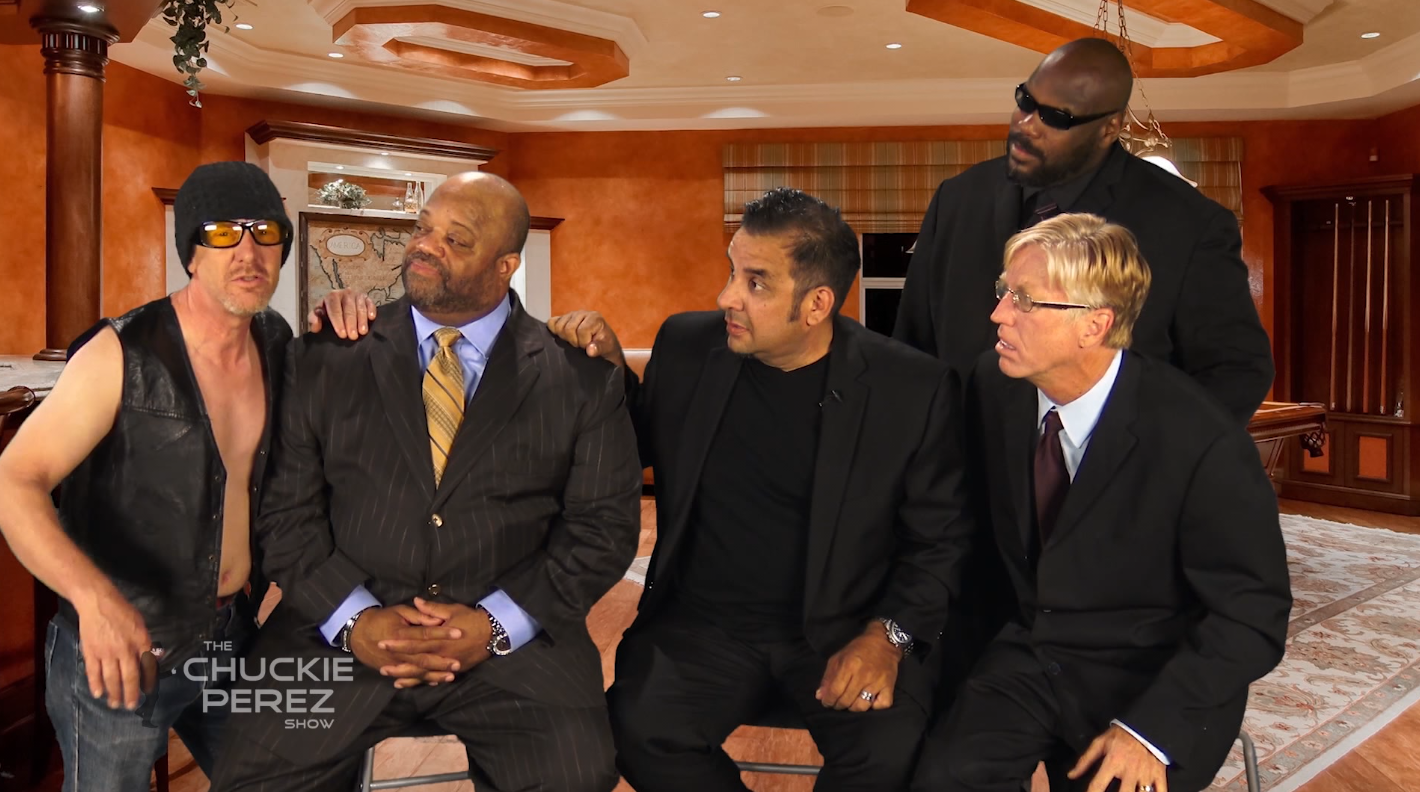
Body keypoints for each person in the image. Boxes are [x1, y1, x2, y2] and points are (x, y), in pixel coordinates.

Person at [209, 171, 642, 792]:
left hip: (516, 649)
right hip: (335, 637)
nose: (425, 246)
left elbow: (602, 530)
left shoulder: (580, 376)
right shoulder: (324, 357)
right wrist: (355, 621)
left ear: (506, 265)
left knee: (575, 776)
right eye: (423, 228)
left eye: (455, 240)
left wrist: (493, 625)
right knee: (251, 776)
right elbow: (285, 517)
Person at [548, 187, 978, 792]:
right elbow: (633, 449)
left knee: (890, 756)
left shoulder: (911, 388)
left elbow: (941, 540)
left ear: (817, 303)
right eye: (732, 272)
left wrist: (887, 638)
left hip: (847, 626)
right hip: (701, 627)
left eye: (756, 283)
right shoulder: (687, 346)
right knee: (634, 733)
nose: (727, 297)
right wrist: (611, 372)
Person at [0, 162, 365, 791]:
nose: (248, 252)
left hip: (229, 636)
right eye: (223, 232)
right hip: (122, 647)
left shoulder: (275, 341)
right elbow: (15, 480)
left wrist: (341, 310)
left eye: (265, 232)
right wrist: (95, 600)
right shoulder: (120, 353)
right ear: (191, 253)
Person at [910, 214, 1291, 792]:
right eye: (1004, 290)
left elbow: (1253, 613)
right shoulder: (994, 384)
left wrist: (1150, 732)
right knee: (943, 780)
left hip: (1153, 680)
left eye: (1025, 300)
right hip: (1031, 656)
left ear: (1095, 324)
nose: (998, 314)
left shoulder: (1201, 439)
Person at [894, 36, 1273, 427]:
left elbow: (1237, 370)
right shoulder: (958, 198)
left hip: (1113, 461)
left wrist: (1154, 457)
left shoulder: (1188, 223)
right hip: (961, 459)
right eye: (1025, 100)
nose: (1026, 125)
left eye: (1056, 117)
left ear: (1109, 128)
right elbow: (913, 350)